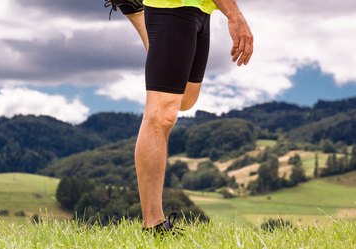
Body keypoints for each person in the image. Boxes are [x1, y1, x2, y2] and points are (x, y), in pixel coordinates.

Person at [105, 0, 253, 235]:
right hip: (170, 6)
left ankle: (136, 10)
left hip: (202, 8)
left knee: (186, 99)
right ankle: (153, 224)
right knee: (162, 114)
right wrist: (235, 16)